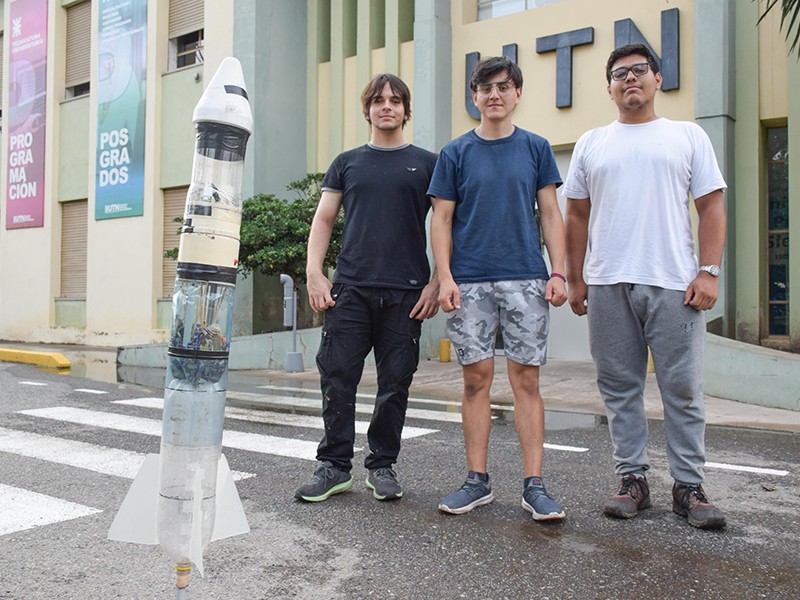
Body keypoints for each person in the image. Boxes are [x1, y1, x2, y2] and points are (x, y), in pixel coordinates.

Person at [564, 44, 727, 530]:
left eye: (639, 70)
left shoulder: (687, 135)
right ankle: (632, 480)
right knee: (619, 388)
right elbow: (575, 213)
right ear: (609, 87)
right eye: (619, 73)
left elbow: (712, 206)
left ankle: (689, 486)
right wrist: (574, 278)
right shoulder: (592, 142)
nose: (629, 79)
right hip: (609, 281)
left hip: (675, 283)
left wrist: (709, 270)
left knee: (682, 389)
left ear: (657, 78)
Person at [428, 56, 568, 521]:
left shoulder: (536, 147)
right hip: (468, 280)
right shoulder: (455, 153)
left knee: (526, 379)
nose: (494, 94)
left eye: (503, 86)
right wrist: (445, 277)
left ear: (517, 93)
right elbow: (441, 218)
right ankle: (476, 481)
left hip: (526, 277)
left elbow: (550, 213)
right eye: (485, 87)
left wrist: (558, 272)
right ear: (474, 96)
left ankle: (535, 485)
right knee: (475, 380)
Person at [295, 74, 439, 503]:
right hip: (351, 288)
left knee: (396, 382)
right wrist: (314, 272)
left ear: (406, 110)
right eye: (378, 100)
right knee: (337, 377)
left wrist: (438, 280)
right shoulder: (347, 162)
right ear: (368, 109)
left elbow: (449, 223)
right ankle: (335, 466)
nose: (387, 106)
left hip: (407, 291)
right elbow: (323, 219)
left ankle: (382, 466)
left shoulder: (428, 164)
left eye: (395, 100)